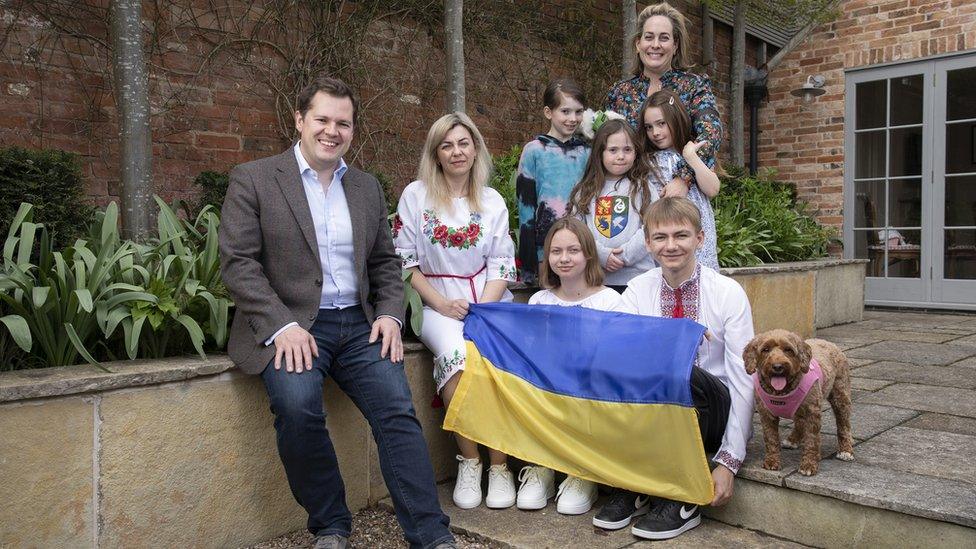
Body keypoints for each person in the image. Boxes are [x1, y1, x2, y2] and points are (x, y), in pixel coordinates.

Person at [219, 76, 455, 549]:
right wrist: (281, 325)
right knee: (297, 406)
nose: (332, 130)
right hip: (293, 324)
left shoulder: (365, 187)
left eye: (342, 123)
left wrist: (389, 314)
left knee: (397, 411)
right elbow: (238, 263)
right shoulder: (256, 178)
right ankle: (330, 524)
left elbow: (386, 263)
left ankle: (432, 536)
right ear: (300, 121)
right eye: (322, 119)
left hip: (359, 326)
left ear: (352, 130)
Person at [592, 197, 754, 541]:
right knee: (624, 367)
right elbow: (618, 353)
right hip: (656, 407)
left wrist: (728, 462)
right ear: (648, 244)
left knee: (681, 370)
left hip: (711, 408)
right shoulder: (638, 289)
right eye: (661, 237)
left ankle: (681, 499)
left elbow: (743, 380)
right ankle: (636, 485)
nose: (671, 245)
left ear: (700, 238)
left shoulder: (728, 293)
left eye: (681, 235)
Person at [393, 112, 519, 511]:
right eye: (446, 145)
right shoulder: (416, 196)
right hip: (434, 301)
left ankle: (499, 465)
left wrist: (482, 308)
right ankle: (469, 461)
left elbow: (501, 263)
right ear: (436, 153)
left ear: (476, 148)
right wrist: (443, 304)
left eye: (463, 143)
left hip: (487, 300)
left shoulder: (492, 200)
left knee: (494, 358)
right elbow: (405, 263)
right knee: (456, 356)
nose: (456, 151)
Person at [517, 217, 622, 514]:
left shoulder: (610, 301)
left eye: (573, 251)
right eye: (556, 251)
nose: (564, 259)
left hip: (592, 396)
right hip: (549, 393)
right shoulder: (539, 300)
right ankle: (543, 468)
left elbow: (617, 358)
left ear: (588, 253)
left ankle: (582, 472)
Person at [605, 2, 722, 201]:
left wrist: (683, 179)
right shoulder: (620, 92)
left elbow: (710, 134)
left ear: (675, 46)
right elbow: (605, 143)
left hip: (680, 195)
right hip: (629, 194)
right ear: (638, 44)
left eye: (664, 38)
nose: (656, 45)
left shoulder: (693, 86)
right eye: (648, 37)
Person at [567, 119, 658, 292]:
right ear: (599, 152)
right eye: (613, 150)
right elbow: (576, 230)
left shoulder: (644, 188)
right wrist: (601, 255)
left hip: (638, 279)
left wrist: (625, 256)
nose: (621, 156)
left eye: (627, 149)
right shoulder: (585, 189)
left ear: (636, 152)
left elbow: (653, 226)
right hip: (597, 279)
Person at [516, 78, 591, 284]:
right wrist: (530, 259)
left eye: (578, 112)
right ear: (549, 112)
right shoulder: (534, 151)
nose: (572, 118)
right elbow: (525, 209)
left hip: (581, 245)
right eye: (565, 111)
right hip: (545, 248)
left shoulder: (587, 151)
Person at [639, 90, 720, 269]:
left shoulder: (693, 152)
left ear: (676, 119)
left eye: (661, 124)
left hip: (695, 231)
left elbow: (713, 189)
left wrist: (691, 158)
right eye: (649, 127)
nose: (655, 132)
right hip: (664, 234)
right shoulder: (647, 159)